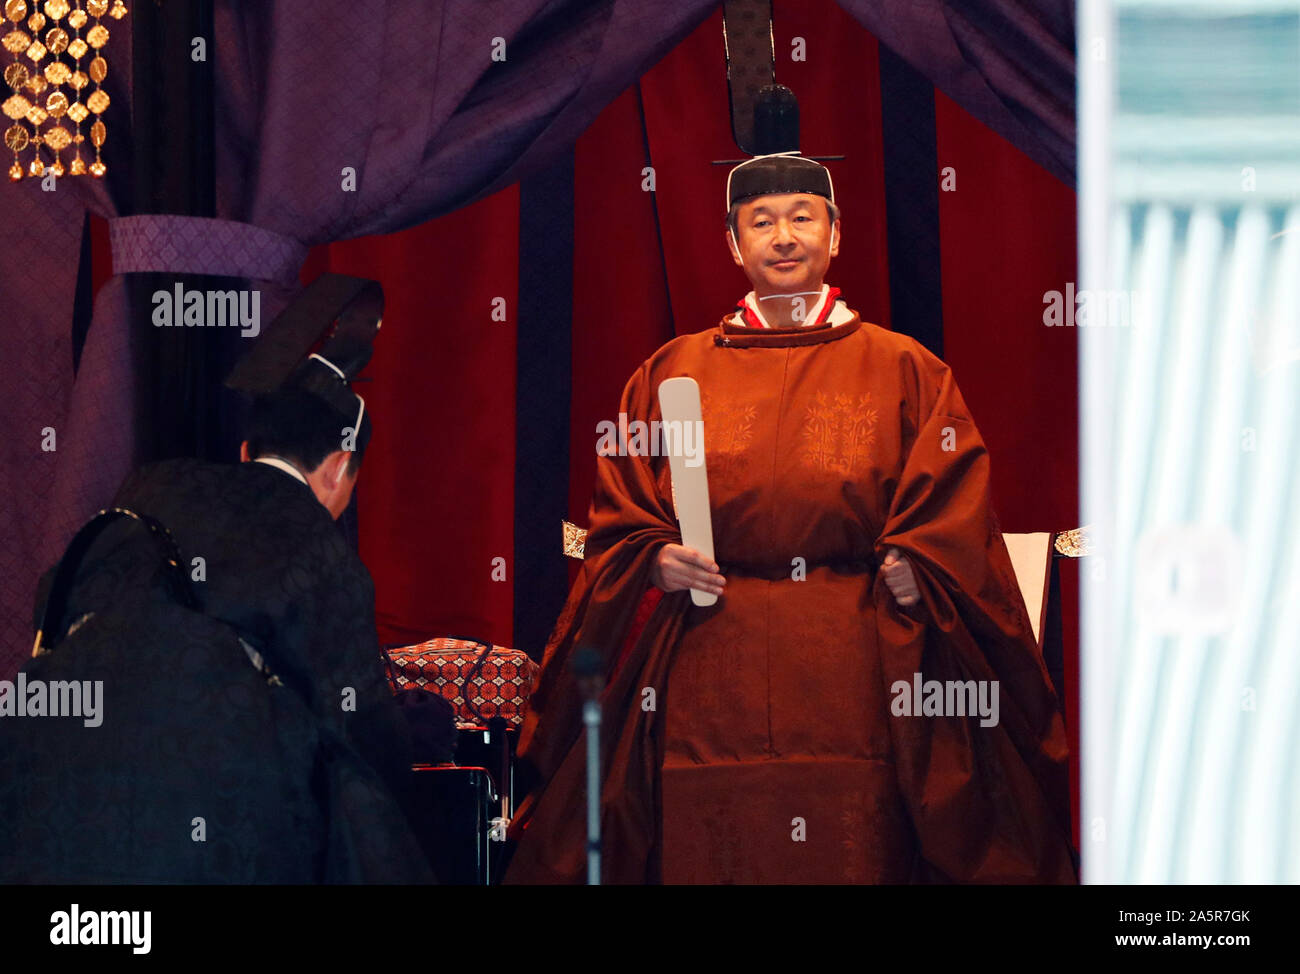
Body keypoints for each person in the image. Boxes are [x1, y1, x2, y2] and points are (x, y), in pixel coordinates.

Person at [505, 152, 1077, 884]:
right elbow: (622, 508)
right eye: (762, 221)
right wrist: (653, 555)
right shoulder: (670, 373)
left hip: (854, 650)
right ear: (732, 243)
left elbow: (954, 498)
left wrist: (921, 560)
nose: (783, 237)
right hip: (710, 655)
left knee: (857, 833)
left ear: (835, 235)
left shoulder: (905, 368)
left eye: (803, 218)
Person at [0, 276, 433, 884]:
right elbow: (359, 729)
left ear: (245, 450)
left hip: (54, 789)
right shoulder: (320, 551)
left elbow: (58, 602)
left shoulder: (148, 487)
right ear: (340, 468)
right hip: (211, 823)